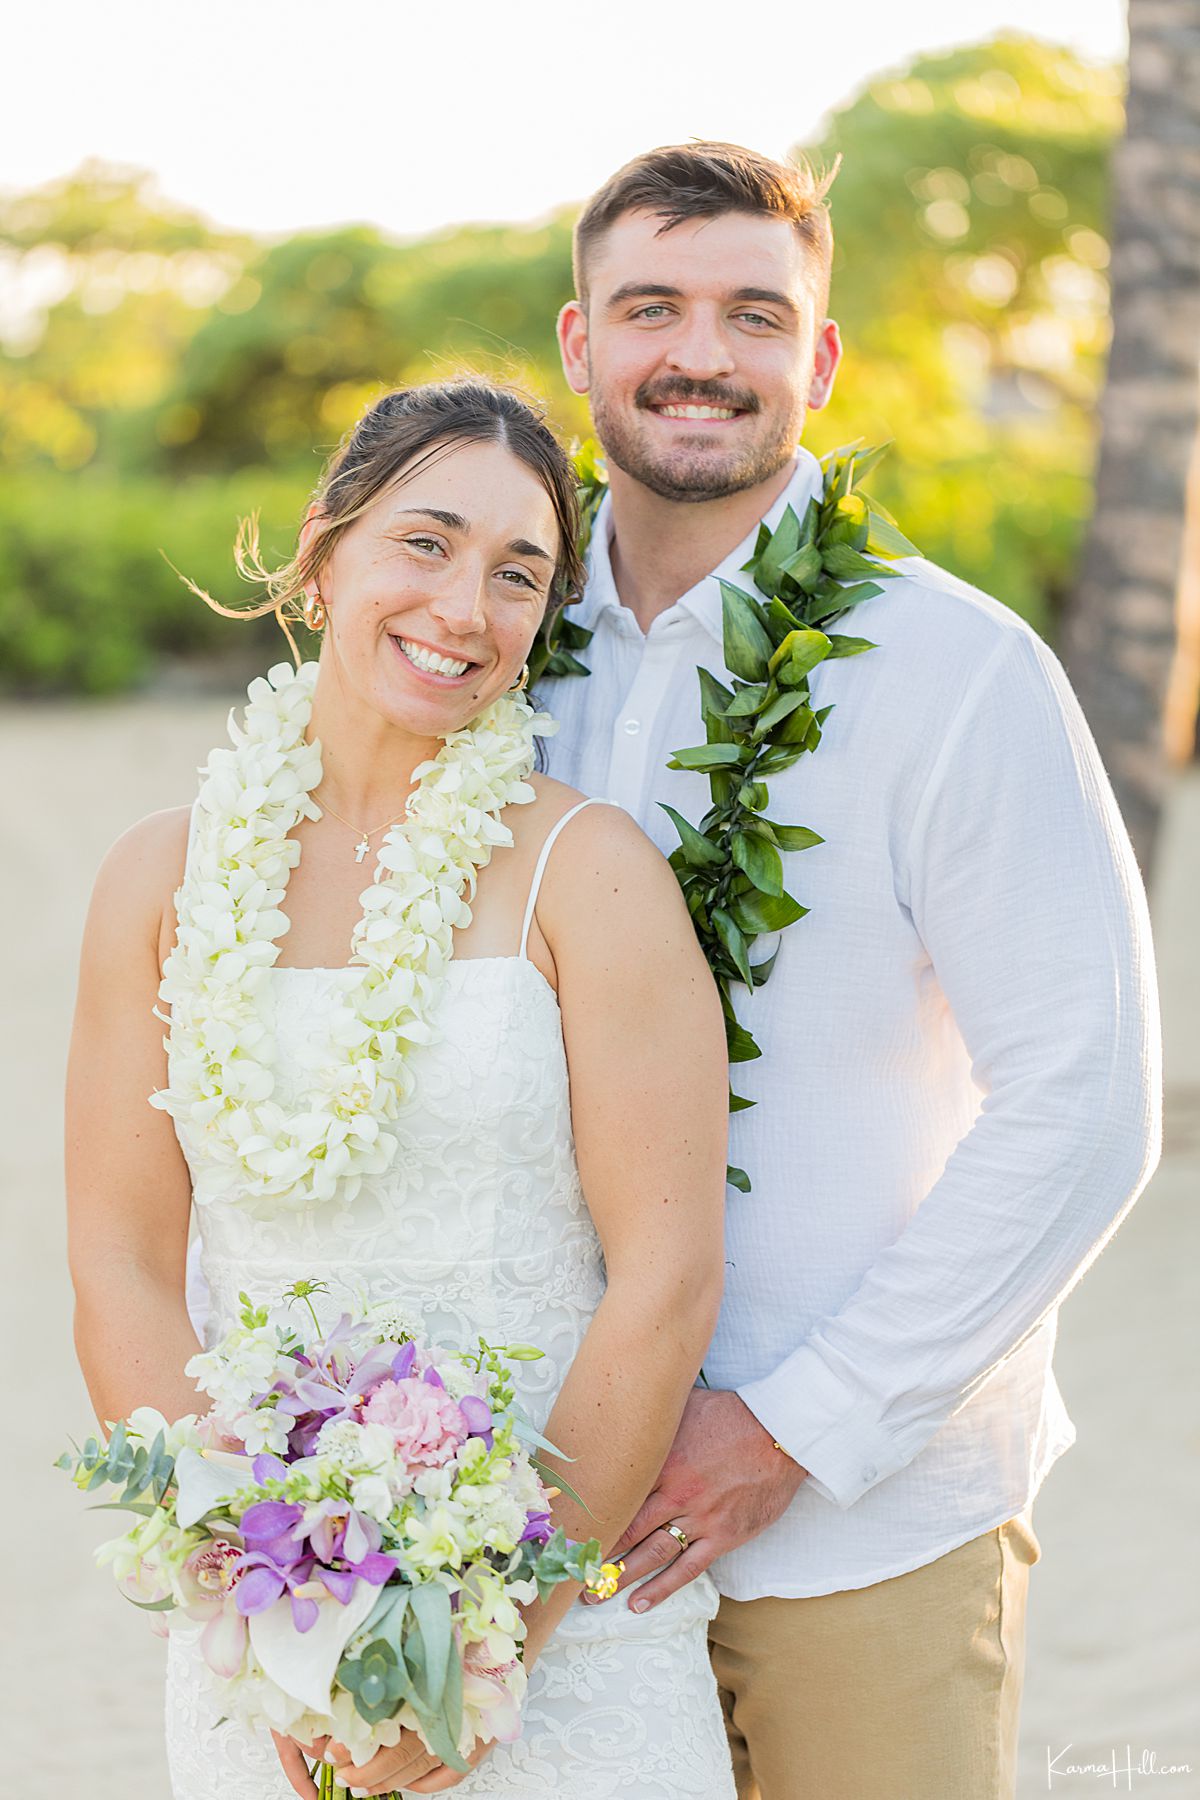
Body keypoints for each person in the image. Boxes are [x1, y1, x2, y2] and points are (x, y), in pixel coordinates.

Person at [538, 141, 1164, 1800]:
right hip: (538, 1515)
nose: (700, 353)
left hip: (861, 1525)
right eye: (651, 305)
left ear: (817, 361)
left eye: (757, 314)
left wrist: (799, 1428)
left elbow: (1090, 1106)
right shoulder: (489, 655)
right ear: (577, 344)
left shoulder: (953, 669)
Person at [65, 379, 737, 1799]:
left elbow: (666, 1279)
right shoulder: (155, 881)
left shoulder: (592, 873)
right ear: (321, 557)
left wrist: (485, 1648)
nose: (464, 610)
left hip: (558, 1624)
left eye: (518, 576)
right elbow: (122, 1263)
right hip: (267, 1635)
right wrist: (266, 1614)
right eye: (423, 544)